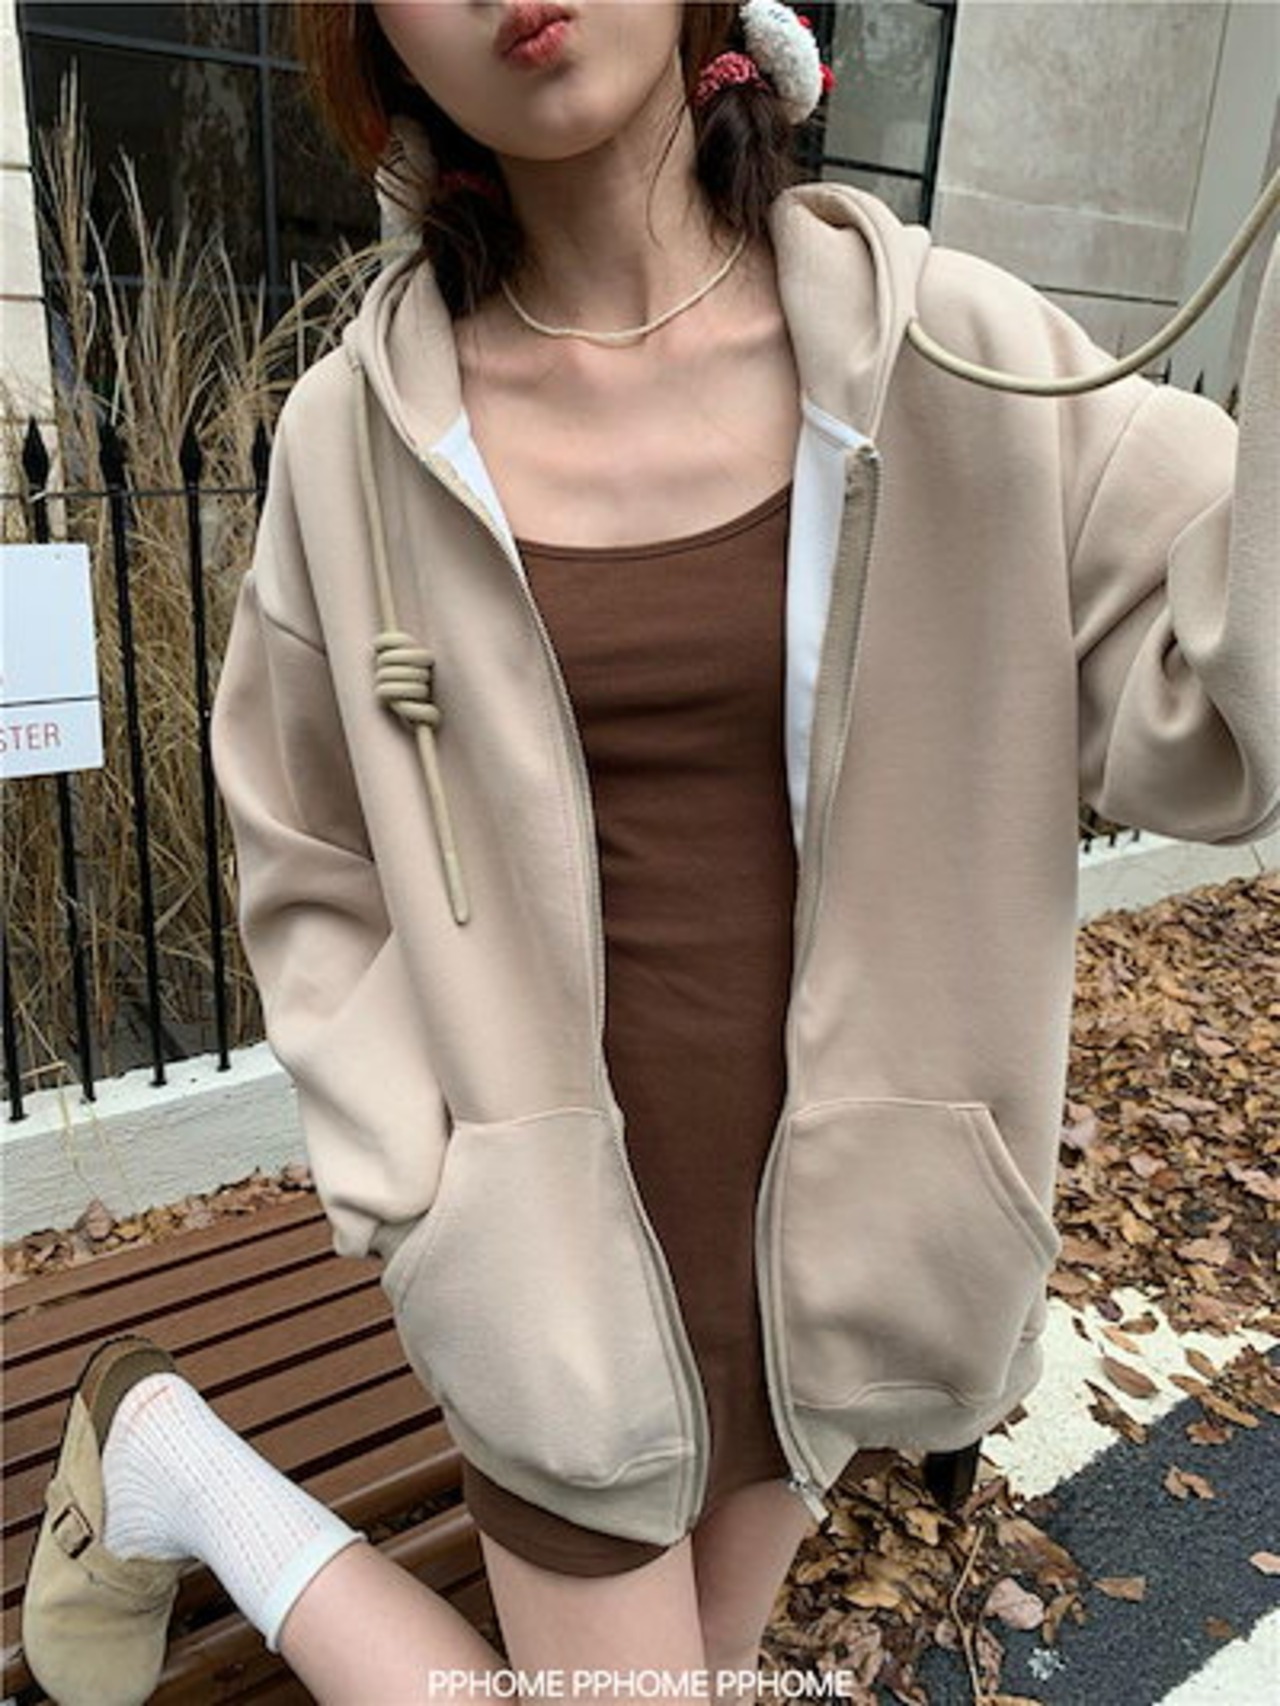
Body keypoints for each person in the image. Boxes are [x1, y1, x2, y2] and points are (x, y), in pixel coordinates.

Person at [21, 3, 1279, 1704]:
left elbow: (1231, 721)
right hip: (549, 1270)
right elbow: (305, 845)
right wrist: (429, 1192)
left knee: (708, 1660)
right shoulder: (357, 443)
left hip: (837, 1252)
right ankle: (179, 1466)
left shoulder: (958, 358)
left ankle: (165, 1451)